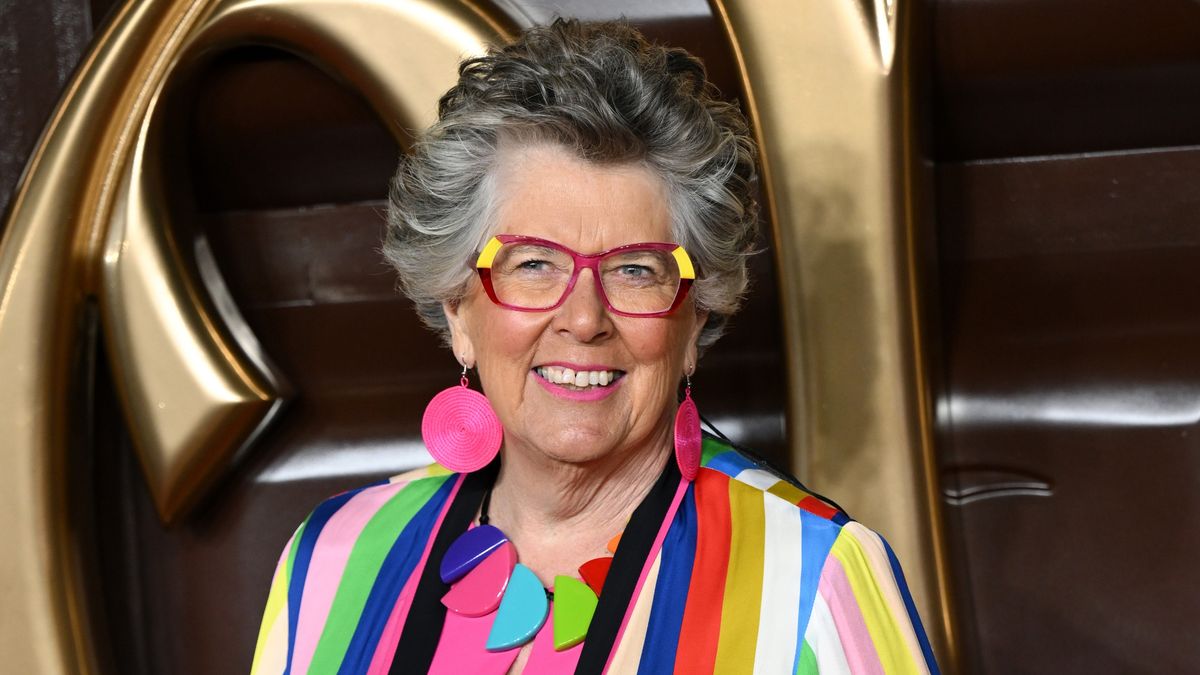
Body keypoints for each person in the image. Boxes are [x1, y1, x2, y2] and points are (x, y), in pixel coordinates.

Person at [250, 19, 939, 675]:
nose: (584, 319)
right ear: (459, 308)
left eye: (635, 269)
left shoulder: (814, 578)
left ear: (693, 320)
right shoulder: (335, 559)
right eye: (532, 264)